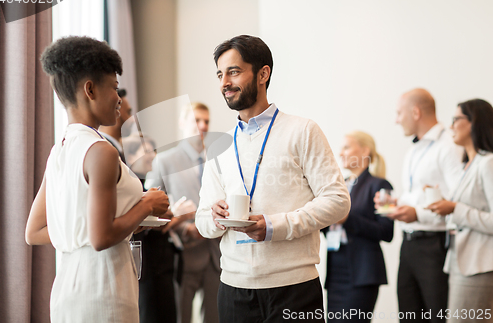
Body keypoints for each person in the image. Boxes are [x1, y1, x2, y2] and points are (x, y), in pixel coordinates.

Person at [195, 35, 350, 322]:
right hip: (233, 289)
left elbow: (338, 201)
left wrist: (274, 227)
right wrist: (215, 217)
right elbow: (202, 221)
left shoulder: (302, 131)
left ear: (263, 74)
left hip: (294, 289)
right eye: (220, 74)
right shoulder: (218, 145)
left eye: (233, 71)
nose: (224, 83)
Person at [24, 36, 170, 322]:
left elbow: (35, 231)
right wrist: (147, 205)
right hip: (103, 287)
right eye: (114, 88)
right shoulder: (100, 150)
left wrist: (98, 231)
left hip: (67, 286)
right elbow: (101, 237)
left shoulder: (60, 150)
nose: (119, 98)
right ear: (90, 89)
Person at [376, 88, 463, 323]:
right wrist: (397, 203)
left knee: (437, 315)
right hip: (409, 245)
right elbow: (418, 195)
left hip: (434, 246)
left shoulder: (449, 146)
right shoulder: (414, 149)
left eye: (399, 113)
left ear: (415, 112)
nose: (396, 120)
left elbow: (459, 201)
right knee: (409, 315)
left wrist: (418, 214)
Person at [145, 102, 221, 323]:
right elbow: (149, 209)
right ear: (182, 123)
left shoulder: (218, 161)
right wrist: (184, 227)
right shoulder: (164, 161)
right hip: (182, 255)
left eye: (206, 121)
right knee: (180, 318)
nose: (203, 126)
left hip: (215, 255)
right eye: (196, 120)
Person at [427, 99, 493, 322]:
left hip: (479, 264)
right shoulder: (468, 165)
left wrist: (454, 208)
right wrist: (445, 204)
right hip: (459, 261)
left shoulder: (488, 163)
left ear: (474, 122)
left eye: (456, 119)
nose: (451, 125)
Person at [323, 131, 393, 322]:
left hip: (362, 272)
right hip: (336, 269)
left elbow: (387, 232)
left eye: (346, 147)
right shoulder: (340, 186)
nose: (341, 153)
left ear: (364, 151)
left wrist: (347, 219)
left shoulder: (381, 185)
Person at [99, 88, 132, 162]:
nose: (132, 120)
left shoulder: (115, 149)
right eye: (128, 113)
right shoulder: (105, 151)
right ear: (115, 113)